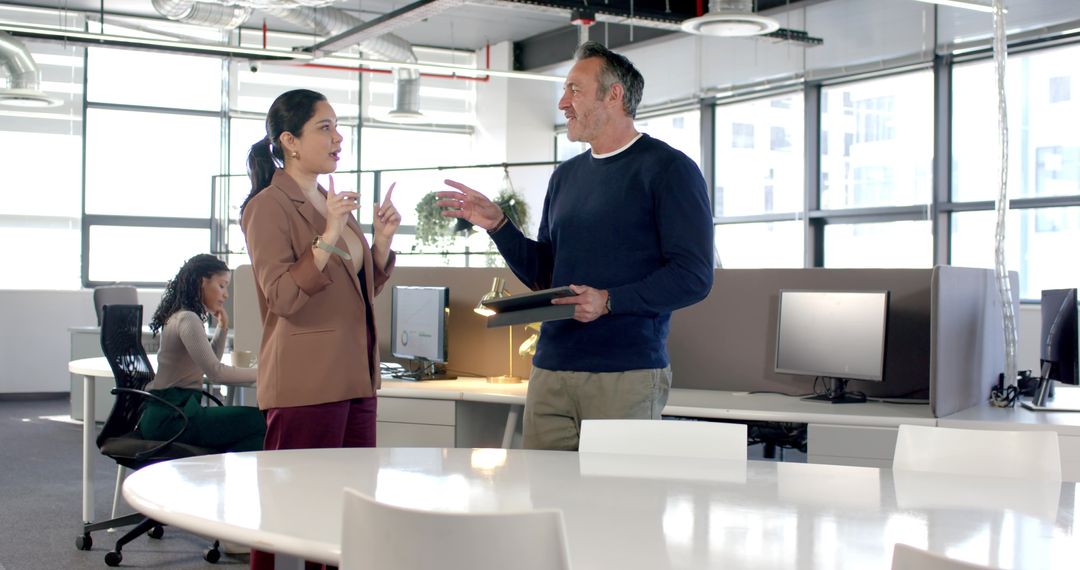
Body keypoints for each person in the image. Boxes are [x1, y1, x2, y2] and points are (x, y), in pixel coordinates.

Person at [437, 42, 714, 451]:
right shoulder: (565, 177)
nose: (563, 102)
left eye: (574, 90)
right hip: (550, 370)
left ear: (614, 95)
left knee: (615, 509)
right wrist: (498, 226)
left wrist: (608, 300)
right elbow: (547, 276)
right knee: (546, 503)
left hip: (625, 374)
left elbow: (694, 277)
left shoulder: (669, 170)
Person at [139, 254, 265, 453]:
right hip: (173, 419)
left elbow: (209, 362)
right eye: (222, 285)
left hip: (170, 414)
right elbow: (216, 372)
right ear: (201, 282)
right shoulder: (188, 319)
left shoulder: (182, 315)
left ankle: (219, 471)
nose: (226, 295)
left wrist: (222, 327)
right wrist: (264, 372)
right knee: (260, 422)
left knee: (251, 430)